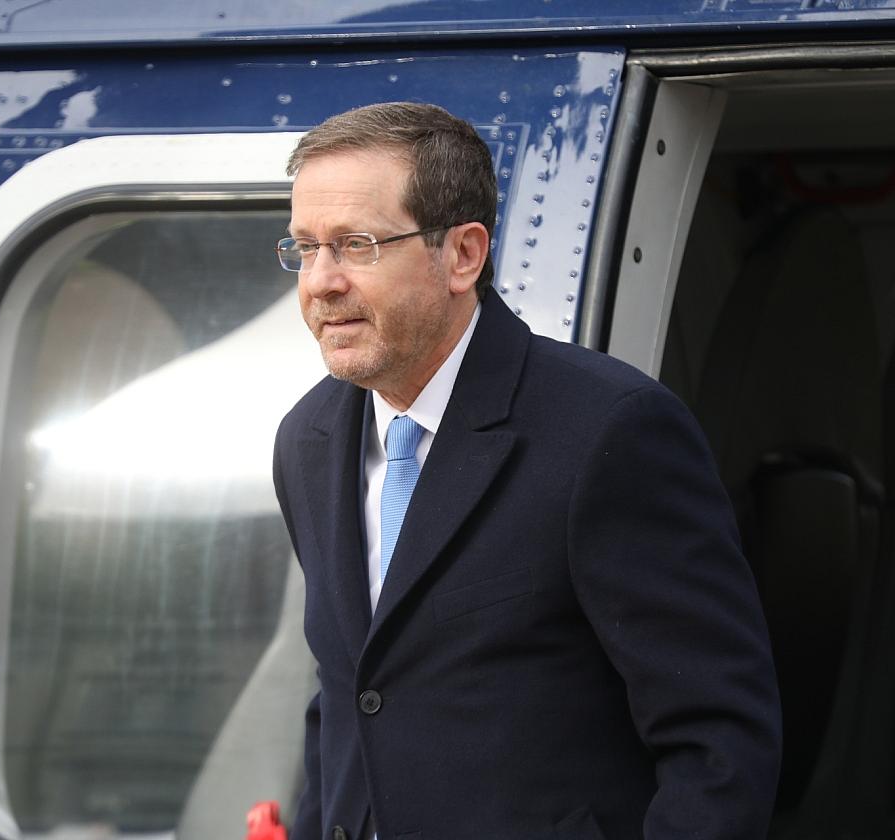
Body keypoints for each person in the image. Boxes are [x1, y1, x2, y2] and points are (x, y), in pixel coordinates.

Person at [271, 101, 781, 840]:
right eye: (304, 248)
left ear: (463, 255)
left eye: (356, 245)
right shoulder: (308, 440)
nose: (320, 282)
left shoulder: (609, 430)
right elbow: (349, 698)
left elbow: (720, 741)